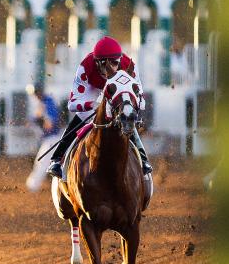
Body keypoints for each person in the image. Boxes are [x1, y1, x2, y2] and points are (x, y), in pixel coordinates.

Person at [46, 36, 152, 178]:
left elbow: (141, 102)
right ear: (96, 62)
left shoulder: (129, 67)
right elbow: (72, 104)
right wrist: (93, 105)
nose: (110, 69)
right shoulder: (85, 67)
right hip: (93, 90)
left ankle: (143, 160)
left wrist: (128, 108)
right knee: (82, 116)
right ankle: (56, 159)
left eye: (115, 63)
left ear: (119, 60)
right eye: (104, 64)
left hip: (118, 93)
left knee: (126, 118)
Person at [25, 84, 62, 192]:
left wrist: (38, 121)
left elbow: (50, 123)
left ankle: (33, 186)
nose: (35, 96)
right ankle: (33, 184)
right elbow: (38, 117)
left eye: (36, 94)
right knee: (44, 162)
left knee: (42, 162)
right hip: (49, 138)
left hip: (53, 139)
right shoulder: (44, 102)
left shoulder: (48, 102)